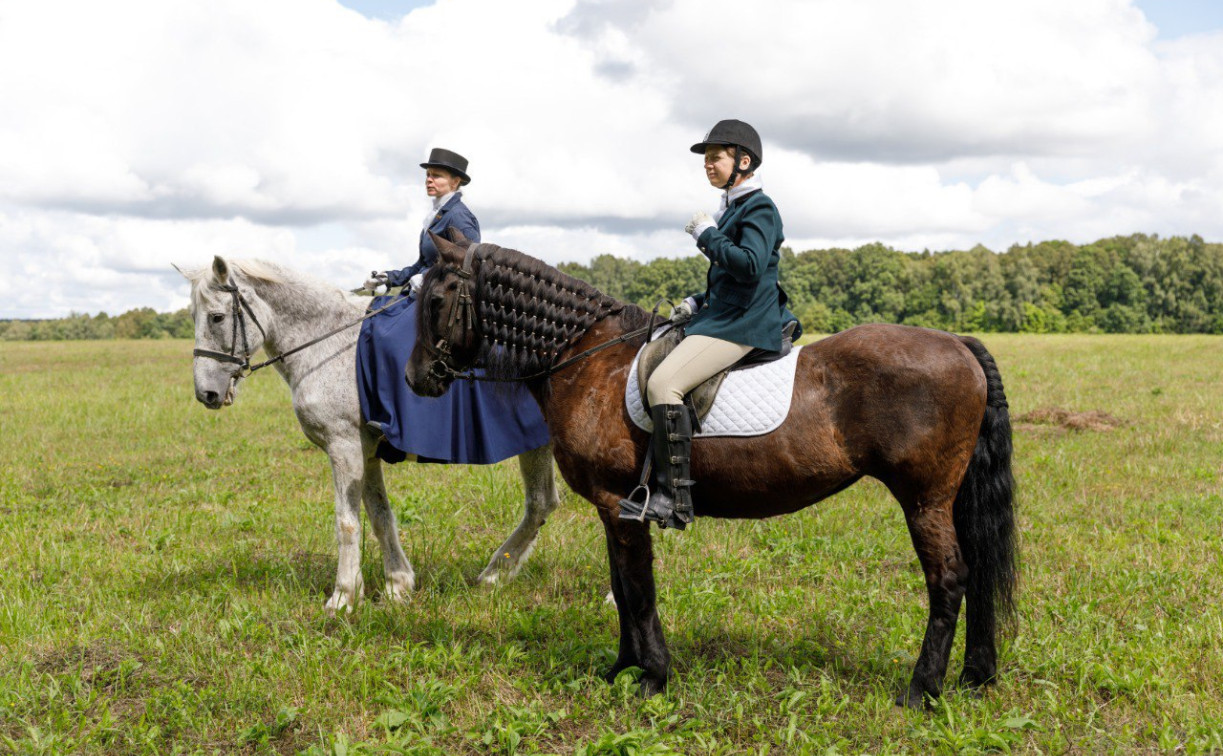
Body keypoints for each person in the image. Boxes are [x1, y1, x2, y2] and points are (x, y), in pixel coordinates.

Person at [620, 120, 798, 530]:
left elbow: (751, 266)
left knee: (664, 384)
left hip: (746, 324)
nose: (708, 165)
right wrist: (697, 301)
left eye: (715, 157)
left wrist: (707, 235)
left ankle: (671, 498)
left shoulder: (760, 208)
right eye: (706, 159)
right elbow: (730, 278)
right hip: (724, 313)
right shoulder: (734, 207)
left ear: (743, 161)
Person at [356, 148, 550, 464]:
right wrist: (388, 277)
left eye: (437, 176)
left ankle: (405, 427)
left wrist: (429, 278)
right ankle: (385, 418)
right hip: (428, 294)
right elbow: (422, 263)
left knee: (392, 338)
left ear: (455, 181)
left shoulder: (460, 217)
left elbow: (467, 264)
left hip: (445, 301)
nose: (429, 180)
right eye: (427, 175)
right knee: (377, 320)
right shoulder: (435, 215)